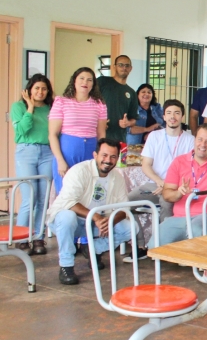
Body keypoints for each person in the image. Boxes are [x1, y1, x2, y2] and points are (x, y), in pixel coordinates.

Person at [47, 139, 133, 285]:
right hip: (68, 221)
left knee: (130, 227)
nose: (108, 160)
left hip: (97, 223)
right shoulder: (79, 171)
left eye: (113, 157)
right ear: (95, 155)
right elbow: (69, 202)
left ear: (117, 158)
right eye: (104, 155)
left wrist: (109, 220)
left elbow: (125, 208)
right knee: (67, 216)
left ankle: (94, 250)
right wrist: (97, 217)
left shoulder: (117, 177)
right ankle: (66, 266)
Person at [129, 98, 195, 223]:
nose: (173, 116)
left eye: (177, 113)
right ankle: (140, 242)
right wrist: (160, 182)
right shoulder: (154, 136)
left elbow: (190, 169)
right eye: (169, 113)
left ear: (182, 116)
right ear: (164, 117)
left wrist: (169, 185)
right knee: (126, 201)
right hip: (154, 185)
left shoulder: (190, 140)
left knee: (167, 203)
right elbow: (146, 165)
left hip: (176, 187)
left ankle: (164, 240)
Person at [11, 74, 54, 255]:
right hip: (26, 151)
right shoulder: (18, 107)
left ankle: (38, 237)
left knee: (43, 199)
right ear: (29, 89)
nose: (40, 92)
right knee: (30, 197)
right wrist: (29, 107)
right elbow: (21, 131)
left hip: (47, 153)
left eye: (44, 89)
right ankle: (21, 237)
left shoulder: (50, 108)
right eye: (37, 88)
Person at [49, 67, 108, 193]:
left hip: (91, 152)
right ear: (74, 81)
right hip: (67, 153)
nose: (85, 82)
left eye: (89, 80)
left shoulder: (100, 104)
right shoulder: (61, 102)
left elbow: (101, 134)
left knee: (88, 193)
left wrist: (102, 157)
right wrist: (60, 160)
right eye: (81, 78)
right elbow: (52, 135)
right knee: (67, 193)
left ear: (93, 84)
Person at [97, 55, 138, 144]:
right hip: (99, 136)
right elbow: (89, 102)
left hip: (120, 139)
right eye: (120, 65)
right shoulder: (102, 82)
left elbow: (133, 119)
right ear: (114, 66)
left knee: (120, 158)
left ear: (130, 68)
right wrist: (98, 121)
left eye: (127, 65)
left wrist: (128, 123)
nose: (124, 68)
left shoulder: (132, 92)